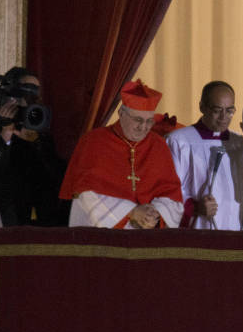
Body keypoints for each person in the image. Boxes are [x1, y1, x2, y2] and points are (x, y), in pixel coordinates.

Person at [59, 79, 183, 228]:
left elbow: (172, 193)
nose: (143, 127)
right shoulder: (93, 141)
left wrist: (157, 212)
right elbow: (85, 193)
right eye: (138, 120)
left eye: (149, 121)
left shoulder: (159, 145)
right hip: (101, 234)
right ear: (121, 113)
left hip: (147, 233)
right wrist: (131, 212)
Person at [167, 81, 243, 230]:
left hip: (236, 235)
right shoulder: (179, 141)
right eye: (217, 110)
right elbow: (167, 192)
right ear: (202, 107)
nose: (223, 117)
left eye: (230, 110)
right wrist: (195, 207)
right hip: (196, 232)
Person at [0, 66, 70, 226]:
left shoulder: (38, 129)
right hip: (3, 213)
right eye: (24, 94)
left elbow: (55, 172)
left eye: (34, 95)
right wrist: (6, 132)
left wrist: (36, 142)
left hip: (41, 216)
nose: (28, 101)